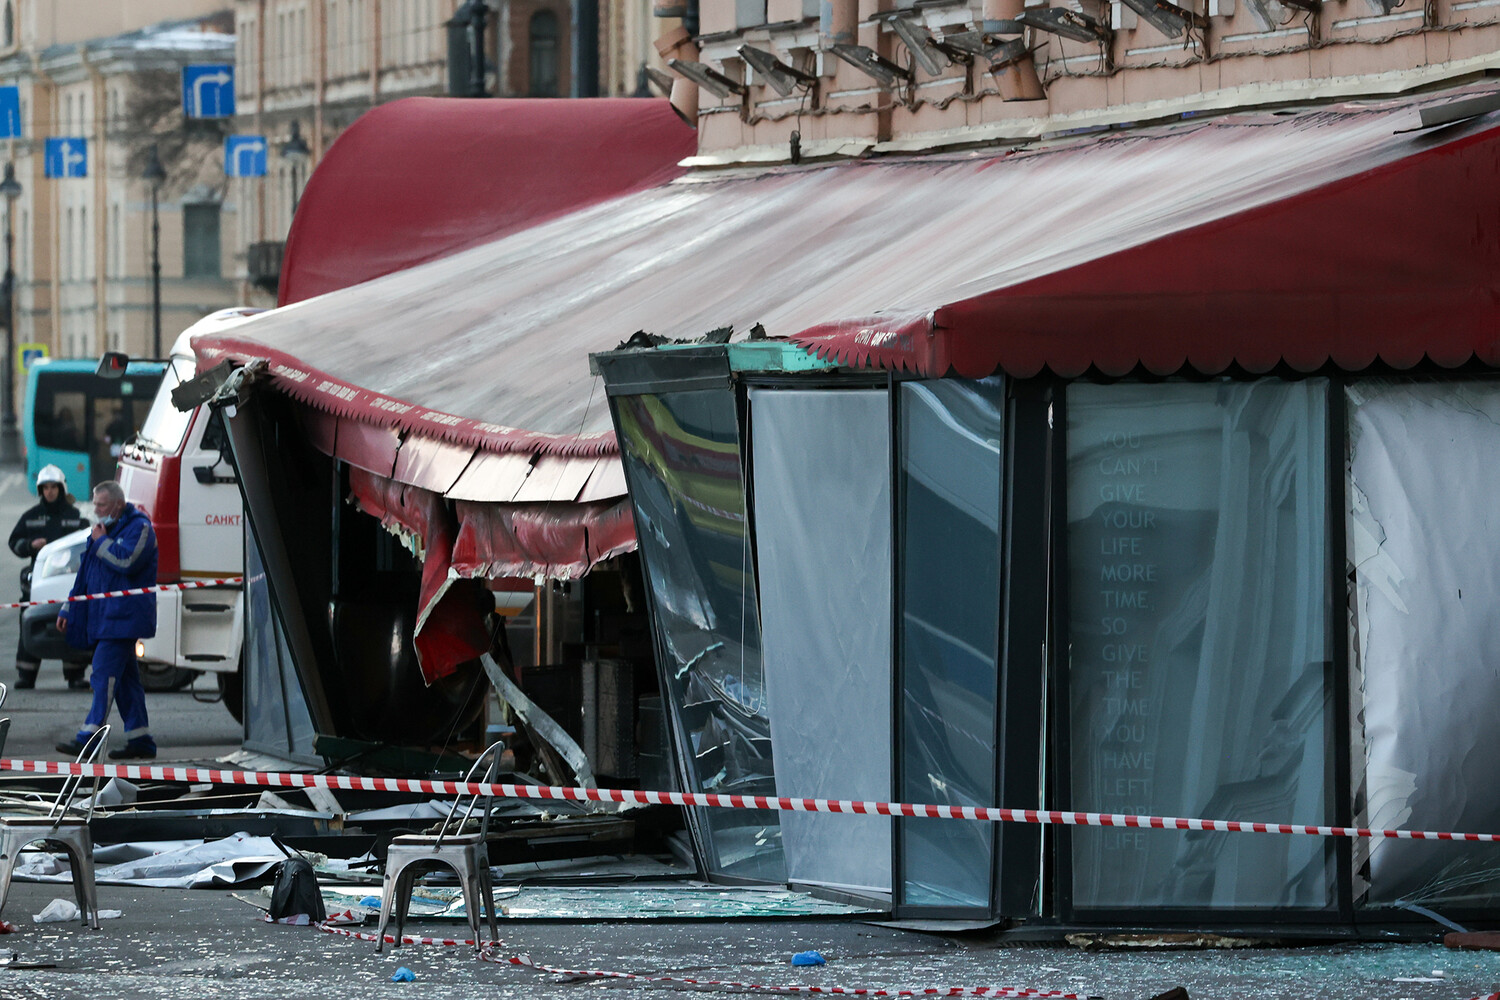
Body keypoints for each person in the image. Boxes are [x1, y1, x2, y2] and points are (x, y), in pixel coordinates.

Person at [54, 480, 158, 760]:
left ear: (118, 505)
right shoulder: (102, 531)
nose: (96, 510)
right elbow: (85, 574)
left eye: (101, 504)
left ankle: (88, 738)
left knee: (102, 672)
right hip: (107, 618)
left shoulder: (140, 527)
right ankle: (141, 740)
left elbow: (127, 563)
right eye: (95, 504)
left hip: (124, 618)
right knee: (126, 681)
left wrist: (101, 542)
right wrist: (68, 607)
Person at [7, 465, 87, 689]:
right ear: (40, 490)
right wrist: (30, 546)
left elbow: (86, 544)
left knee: (72, 625)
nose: (50, 492)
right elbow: (14, 542)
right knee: (30, 626)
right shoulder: (30, 517)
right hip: (38, 585)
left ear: (61, 489)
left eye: (54, 487)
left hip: (67, 584)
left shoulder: (75, 517)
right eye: (46, 488)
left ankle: (75, 675)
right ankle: (26, 674)